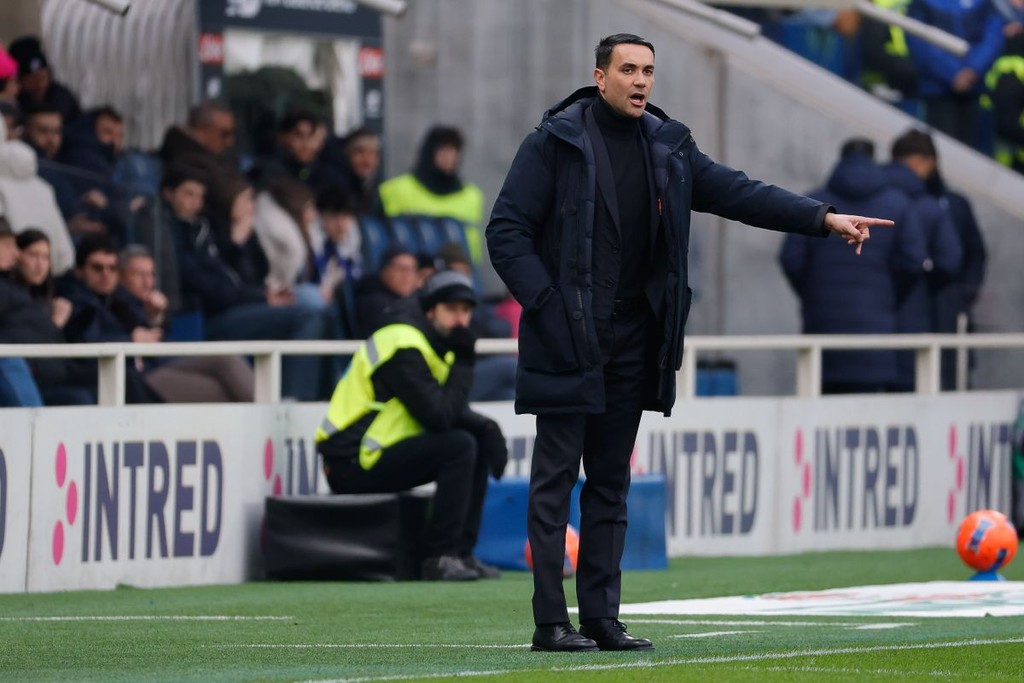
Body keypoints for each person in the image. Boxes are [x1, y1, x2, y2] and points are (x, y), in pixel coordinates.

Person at [486, 33, 894, 653]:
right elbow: (506, 231)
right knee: (554, 483)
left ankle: (601, 618)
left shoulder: (668, 147)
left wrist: (822, 218)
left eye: (648, 70)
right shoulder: (553, 143)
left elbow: (741, 192)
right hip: (567, 337)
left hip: (633, 339)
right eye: (628, 69)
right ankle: (551, 623)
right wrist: (547, 305)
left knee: (610, 485)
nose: (640, 81)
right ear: (599, 77)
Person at [315, 270, 509, 581]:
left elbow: (447, 407)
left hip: (375, 453)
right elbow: (439, 416)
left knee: (475, 437)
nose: (460, 319)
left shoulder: (433, 340)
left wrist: (488, 428)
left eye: (466, 310)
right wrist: (464, 361)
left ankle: (462, 553)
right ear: (431, 310)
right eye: (451, 309)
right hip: (349, 461)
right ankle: (440, 557)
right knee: (459, 446)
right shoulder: (401, 342)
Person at [780, 138, 929, 394]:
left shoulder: (814, 203)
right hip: (876, 328)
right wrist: (888, 297)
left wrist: (814, 293)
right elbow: (914, 261)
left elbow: (791, 258)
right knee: (868, 410)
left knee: (823, 410)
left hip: (822, 324)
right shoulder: (898, 205)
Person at [884, 129, 963, 390]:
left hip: (859, 321)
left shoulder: (868, 200)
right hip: (915, 316)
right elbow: (950, 261)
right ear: (918, 161)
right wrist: (925, 283)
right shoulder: (929, 207)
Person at [904, 0, 1005, 148]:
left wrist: (973, 69)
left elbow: (992, 37)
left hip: (973, 90)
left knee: (972, 150)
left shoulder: (984, 4)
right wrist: (953, 74)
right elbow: (918, 39)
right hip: (938, 90)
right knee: (941, 147)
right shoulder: (923, 4)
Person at [378, 125, 486, 263]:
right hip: (406, 271)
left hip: (455, 271)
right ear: (430, 152)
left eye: (455, 151)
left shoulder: (472, 197)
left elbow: (473, 251)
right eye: (444, 150)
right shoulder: (395, 190)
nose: (450, 157)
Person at [6, 36, 81, 124]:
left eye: (43, 77)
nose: (40, 84)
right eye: (32, 79)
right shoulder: (14, 101)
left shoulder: (62, 98)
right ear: (19, 81)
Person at [352, 245, 421, 337]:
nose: (407, 276)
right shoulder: (373, 301)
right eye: (402, 269)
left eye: (412, 270)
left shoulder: (412, 300)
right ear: (385, 270)